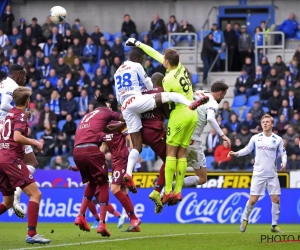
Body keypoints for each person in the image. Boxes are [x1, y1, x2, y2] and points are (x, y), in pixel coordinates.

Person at [115, 43, 207, 195]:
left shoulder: (117, 71)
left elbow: (120, 98)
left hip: (126, 107)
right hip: (150, 123)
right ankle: (169, 191)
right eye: (143, 59)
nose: (144, 62)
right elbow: (150, 84)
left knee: (136, 147)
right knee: (173, 157)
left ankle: (129, 174)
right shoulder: (139, 68)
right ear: (137, 58)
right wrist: (153, 90)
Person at [0, 86, 50, 244]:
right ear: (27, 101)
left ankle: (32, 233)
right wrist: (35, 141)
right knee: (36, 194)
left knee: (7, 203)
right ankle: (32, 234)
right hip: (11, 159)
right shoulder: (20, 116)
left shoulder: (9, 115)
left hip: (2, 158)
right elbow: (17, 137)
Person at [73, 94, 125, 237]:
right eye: (109, 105)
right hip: (92, 150)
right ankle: (102, 223)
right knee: (103, 184)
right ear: (104, 105)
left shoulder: (87, 117)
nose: (110, 107)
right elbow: (123, 118)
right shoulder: (106, 111)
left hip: (77, 152)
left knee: (92, 182)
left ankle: (80, 215)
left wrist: (123, 125)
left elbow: (110, 129)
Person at [228, 114, 287, 233]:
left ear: (272, 124)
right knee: (253, 200)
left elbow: (283, 153)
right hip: (259, 174)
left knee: (276, 199)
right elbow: (247, 149)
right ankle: (245, 219)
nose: (265, 123)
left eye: (267, 122)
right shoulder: (256, 138)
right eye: (263, 122)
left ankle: (274, 226)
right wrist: (237, 153)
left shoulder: (278, 139)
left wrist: (284, 162)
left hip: (272, 174)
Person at [0, 65, 38, 218]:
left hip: (4, 129)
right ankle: (17, 194)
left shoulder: (2, 84)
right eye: (24, 75)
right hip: (9, 129)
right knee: (32, 162)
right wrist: (21, 112)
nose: (25, 79)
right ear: (18, 74)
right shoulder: (13, 85)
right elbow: (3, 105)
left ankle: (14, 195)